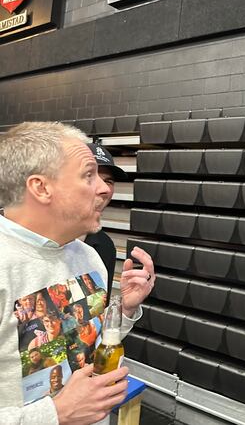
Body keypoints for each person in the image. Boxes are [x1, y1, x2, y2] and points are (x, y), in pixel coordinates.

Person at [0, 122, 155, 425]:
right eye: (89, 175)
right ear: (41, 187)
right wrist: (54, 415)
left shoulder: (88, 256)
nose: (104, 188)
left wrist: (123, 310)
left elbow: (82, 342)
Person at [84, 142, 129, 298]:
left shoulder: (104, 247)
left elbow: (94, 316)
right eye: (90, 177)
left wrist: (126, 312)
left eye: (108, 181)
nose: (105, 189)